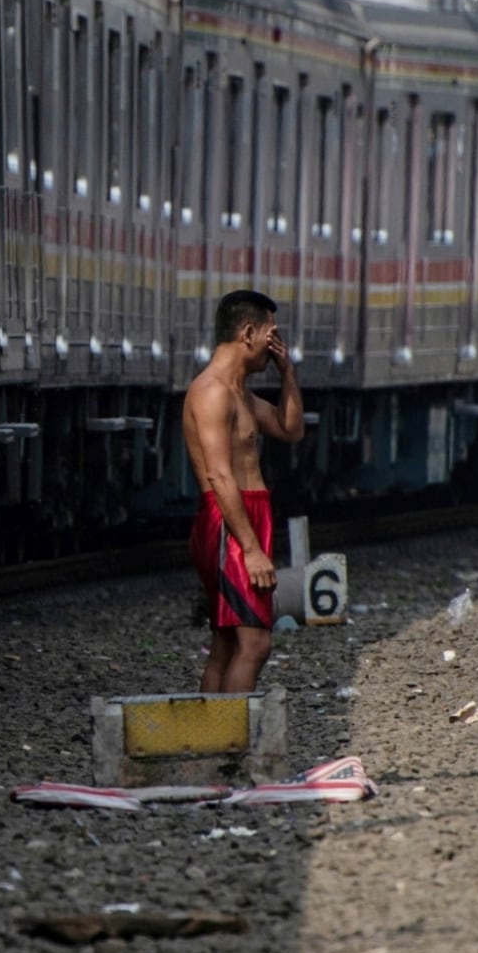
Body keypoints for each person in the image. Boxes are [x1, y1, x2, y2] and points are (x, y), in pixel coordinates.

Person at [183, 289, 304, 693]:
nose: (275, 347)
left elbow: (291, 429)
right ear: (248, 333)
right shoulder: (212, 391)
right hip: (229, 525)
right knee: (255, 643)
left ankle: (213, 745)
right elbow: (219, 476)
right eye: (271, 337)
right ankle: (235, 746)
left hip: (246, 519)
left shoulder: (241, 395)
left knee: (226, 644)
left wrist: (287, 373)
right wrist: (250, 548)